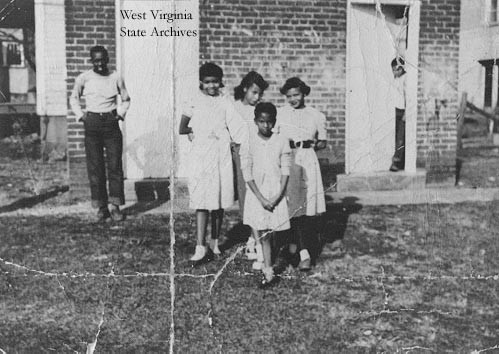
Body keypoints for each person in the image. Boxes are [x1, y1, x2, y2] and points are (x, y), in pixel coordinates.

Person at [179, 62, 247, 265]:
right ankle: (200, 246)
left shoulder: (225, 102)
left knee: (218, 201)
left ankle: (215, 242)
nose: (211, 86)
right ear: (201, 82)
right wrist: (193, 132)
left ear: (220, 82)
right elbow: (182, 127)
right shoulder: (194, 100)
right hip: (201, 156)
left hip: (220, 155)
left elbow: (237, 128)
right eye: (207, 82)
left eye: (215, 82)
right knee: (202, 202)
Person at [70, 45, 131, 222]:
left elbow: (126, 99)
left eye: (102, 60)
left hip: (111, 124)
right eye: (96, 61)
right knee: (95, 167)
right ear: (91, 61)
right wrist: (81, 116)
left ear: (107, 60)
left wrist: (119, 114)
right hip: (92, 125)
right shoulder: (84, 78)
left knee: (114, 166)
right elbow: (74, 98)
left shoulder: (116, 77)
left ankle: (115, 206)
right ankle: (101, 207)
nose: (100, 64)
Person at [274, 77, 327, 272]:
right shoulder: (280, 114)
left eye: (296, 94)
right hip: (289, 159)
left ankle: (302, 250)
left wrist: (315, 144)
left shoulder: (315, 115)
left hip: (307, 159)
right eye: (289, 96)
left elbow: (323, 141)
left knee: (306, 208)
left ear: (304, 93)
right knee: (291, 206)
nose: (293, 99)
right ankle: (293, 247)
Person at [240, 102, 291, 288]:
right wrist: (261, 198)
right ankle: (268, 271)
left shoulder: (281, 141)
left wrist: (278, 196)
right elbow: (247, 172)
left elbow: (286, 170)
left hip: (275, 192)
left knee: (271, 231)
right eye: (262, 122)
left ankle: (268, 261)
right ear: (255, 121)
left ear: (274, 122)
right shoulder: (249, 141)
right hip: (257, 193)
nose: (266, 126)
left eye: (269, 122)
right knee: (263, 231)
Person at [232, 71, 269, 261]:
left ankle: (256, 237)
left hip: (256, 155)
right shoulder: (233, 107)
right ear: (245, 88)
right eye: (254, 92)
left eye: (260, 94)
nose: (257, 97)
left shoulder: (259, 110)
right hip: (239, 154)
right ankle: (251, 237)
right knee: (244, 194)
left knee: (257, 193)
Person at [389, 57, 407, 172]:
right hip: (396, 111)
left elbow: (408, 97)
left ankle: (397, 162)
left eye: (395, 70)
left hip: (402, 111)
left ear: (400, 69)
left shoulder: (406, 79)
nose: (394, 72)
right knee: (396, 137)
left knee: (401, 138)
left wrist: (406, 112)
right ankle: (397, 161)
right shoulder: (396, 79)